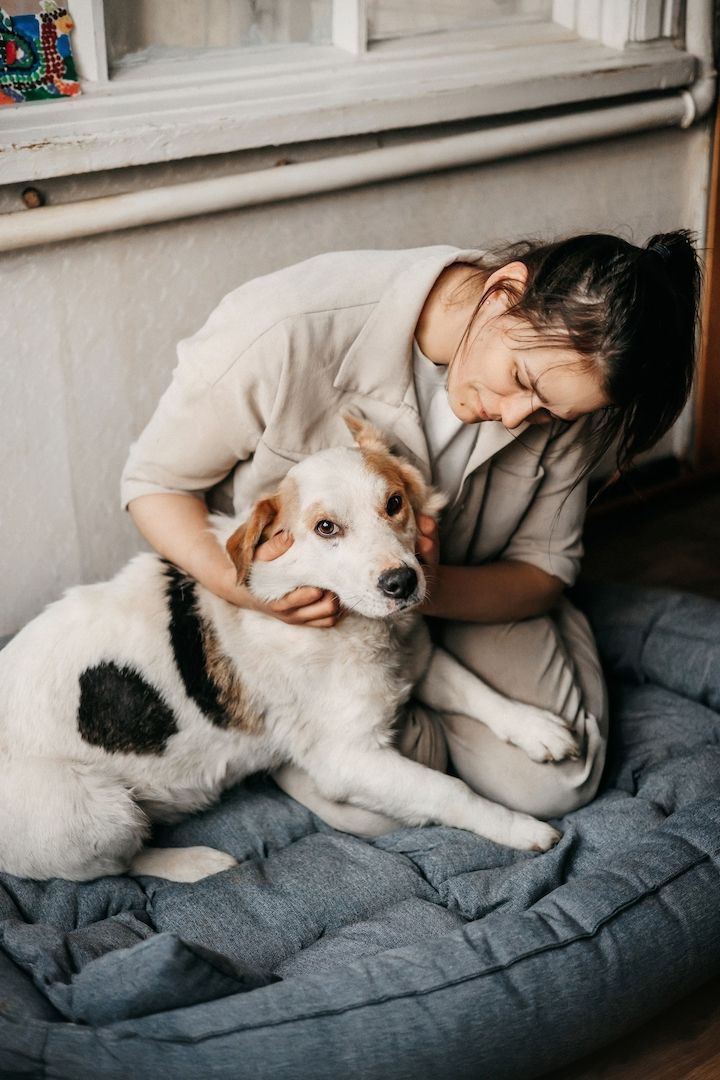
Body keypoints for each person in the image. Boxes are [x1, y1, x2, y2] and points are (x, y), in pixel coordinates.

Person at [121, 232, 702, 836]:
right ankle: (352, 731)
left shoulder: (570, 384)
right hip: (308, 625)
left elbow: (543, 571)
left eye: (552, 413)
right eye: (521, 379)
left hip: (467, 593)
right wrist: (244, 590)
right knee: (365, 799)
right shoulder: (281, 328)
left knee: (556, 782)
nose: (515, 417)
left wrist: (421, 586)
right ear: (504, 290)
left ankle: (419, 705)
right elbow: (154, 484)